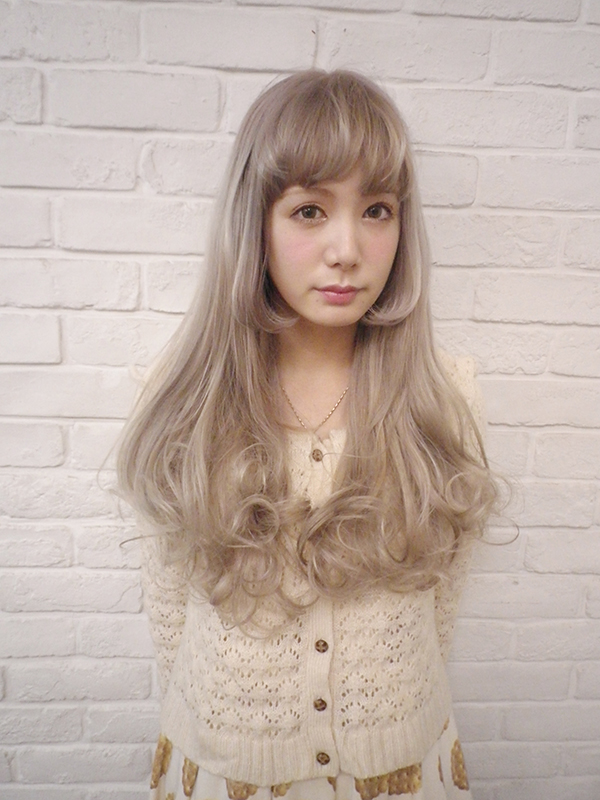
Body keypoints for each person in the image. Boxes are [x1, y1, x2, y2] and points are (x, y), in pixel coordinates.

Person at [117, 69, 498, 800]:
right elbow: (170, 608)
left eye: (377, 210)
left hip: (404, 769)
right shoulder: (183, 401)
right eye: (309, 211)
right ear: (255, 223)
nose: (347, 249)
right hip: (225, 768)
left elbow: (438, 602)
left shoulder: (445, 402)